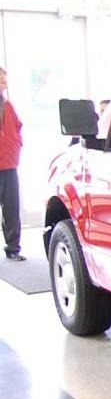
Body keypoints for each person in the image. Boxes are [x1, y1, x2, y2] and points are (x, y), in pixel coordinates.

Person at [0, 66, 26, 262]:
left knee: (11, 209)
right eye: (1, 80)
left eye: (5, 81)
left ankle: (13, 248)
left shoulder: (8, 106)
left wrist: (16, 148)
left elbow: (18, 128)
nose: (4, 84)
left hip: (9, 166)